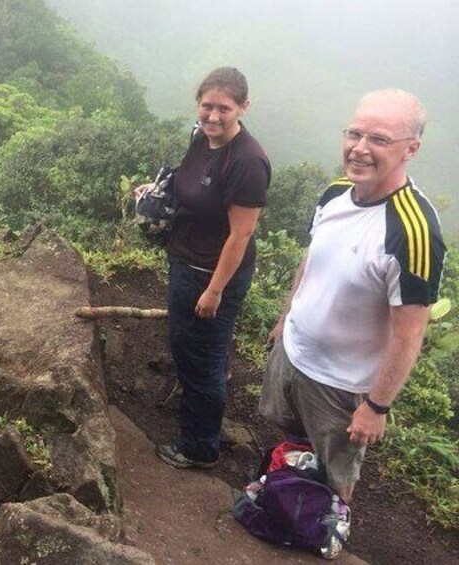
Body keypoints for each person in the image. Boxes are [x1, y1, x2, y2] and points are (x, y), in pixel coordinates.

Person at [260, 89, 445, 504]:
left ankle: (329, 526)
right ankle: (287, 497)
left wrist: (376, 407)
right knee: (289, 434)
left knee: (337, 472)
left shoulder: (412, 231)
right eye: (354, 133)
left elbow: (409, 333)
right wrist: (285, 319)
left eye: (379, 139)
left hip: (342, 385)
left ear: (410, 149)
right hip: (294, 351)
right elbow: (312, 259)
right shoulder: (335, 192)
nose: (360, 149)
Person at [136, 67, 271, 469]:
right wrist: (154, 192)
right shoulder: (202, 138)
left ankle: (200, 446)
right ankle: (204, 395)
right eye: (207, 106)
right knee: (190, 345)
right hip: (185, 260)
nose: (212, 116)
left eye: (223, 109)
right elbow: (189, 185)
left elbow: (241, 235)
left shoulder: (248, 162)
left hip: (212, 274)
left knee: (201, 357)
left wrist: (214, 290)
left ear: (243, 107)